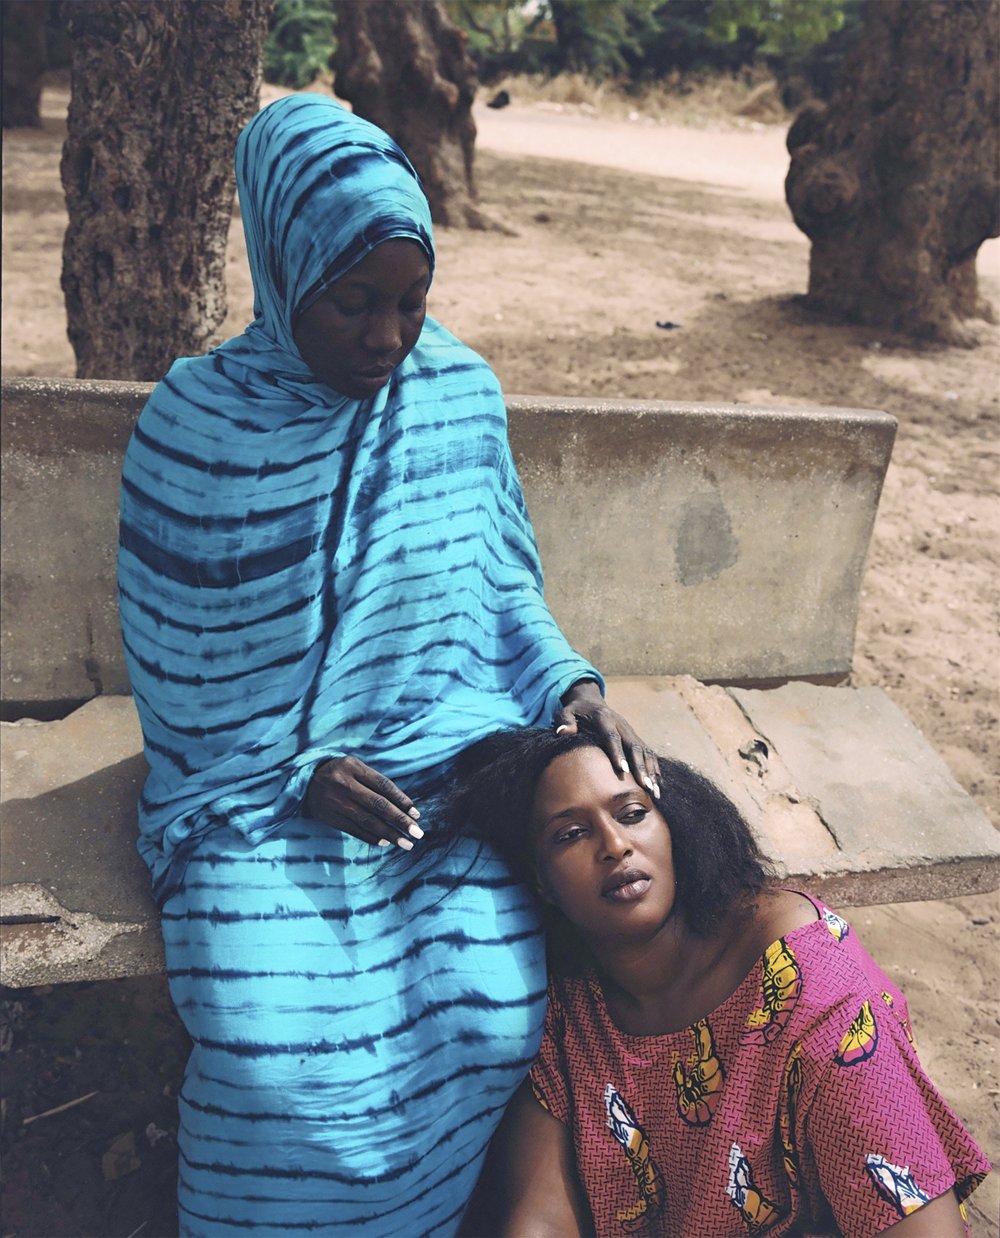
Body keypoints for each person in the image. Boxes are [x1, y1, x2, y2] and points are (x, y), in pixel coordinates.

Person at [116, 93, 658, 1237]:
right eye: (352, 302)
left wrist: (570, 686)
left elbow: (505, 584)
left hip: (438, 771)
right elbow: (173, 671)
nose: (386, 338)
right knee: (275, 1057)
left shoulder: (454, 395)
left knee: (486, 1006)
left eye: (412, 303)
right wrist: (293, 771)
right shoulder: (193, 423)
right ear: (280, 267)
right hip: (250, 793)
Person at [446, 727, 991, 1237]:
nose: (614, 845)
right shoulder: (572, 1003)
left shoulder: (811, 988)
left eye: (633, 813)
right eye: (570, 834)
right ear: (541, 882)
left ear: (675, 825)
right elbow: (539, 1221)